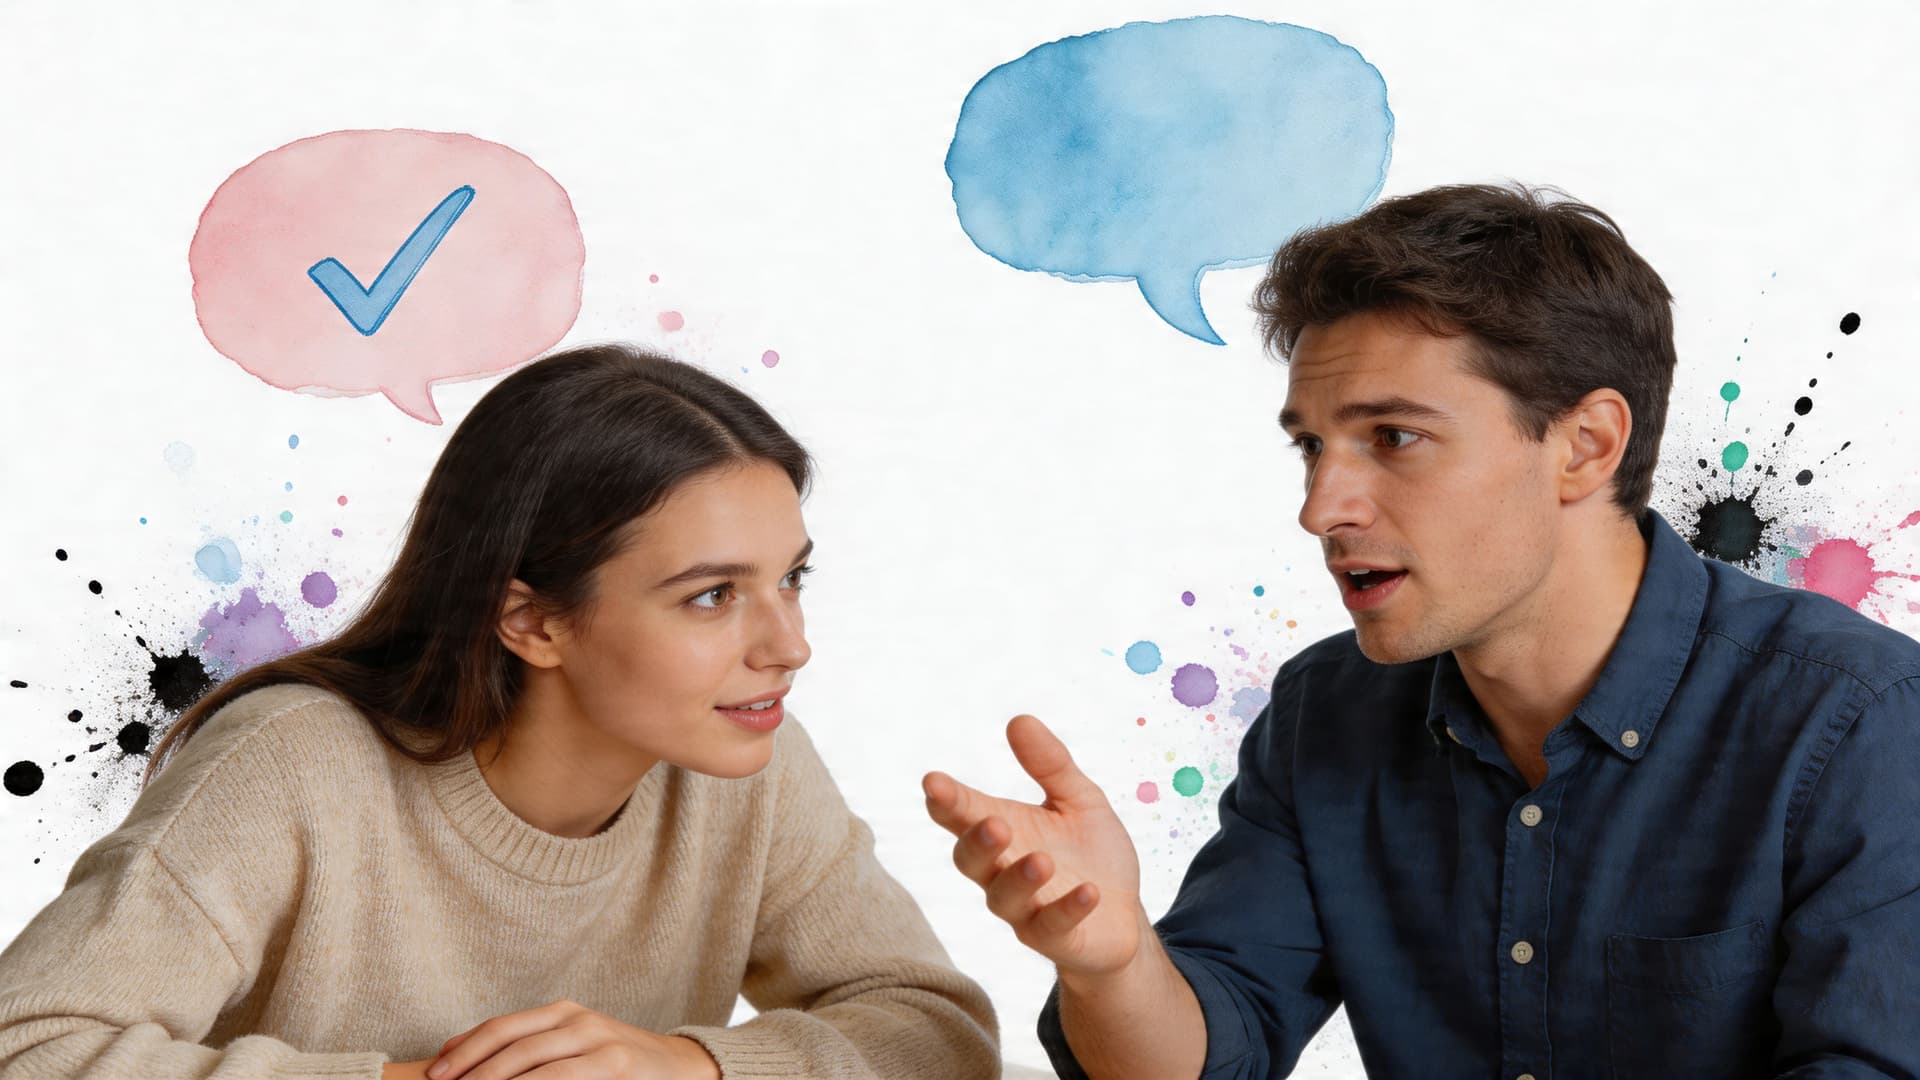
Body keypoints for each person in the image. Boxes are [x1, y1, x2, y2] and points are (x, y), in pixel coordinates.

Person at [925, 184, 1920, 1078]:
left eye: (1393, 438)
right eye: (1313, 445)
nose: (1322, 508)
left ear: (1586, 447)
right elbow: (1205, 1054)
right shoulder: (1327, 715)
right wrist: (1112, 959)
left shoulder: (1859, 722)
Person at [0, 344, 998, 1079]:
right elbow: (31, 1046)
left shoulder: (750, 759)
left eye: (792, 580)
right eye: (712, 595)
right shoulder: (292, 764)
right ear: (532, 622)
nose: (789, 646)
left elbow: (934, 1032)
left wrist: (687, 1069)